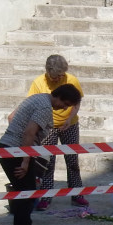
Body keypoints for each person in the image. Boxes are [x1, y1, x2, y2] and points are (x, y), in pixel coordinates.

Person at [0, 85, 82, 225]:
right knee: (26, 193)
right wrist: (25, 161)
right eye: (65, 103)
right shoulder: (44, 107)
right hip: (15, 151)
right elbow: (29, 133)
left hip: (10, 148)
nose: (64, 108)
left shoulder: (38, 98)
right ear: (58, 97)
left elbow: (12, 117)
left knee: (28, 190)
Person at [19, 55, 85, 211]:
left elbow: (77, 101)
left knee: (72, 161)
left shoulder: (72, 80)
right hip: (47, 126)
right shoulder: (38, 82)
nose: (59, 79)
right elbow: (32, 103)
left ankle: (77, 194)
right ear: (48, 72)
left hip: (70, 125)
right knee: (47, 162)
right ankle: (46, 196)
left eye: (61, 76)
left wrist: (69, 118)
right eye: (55, 76)